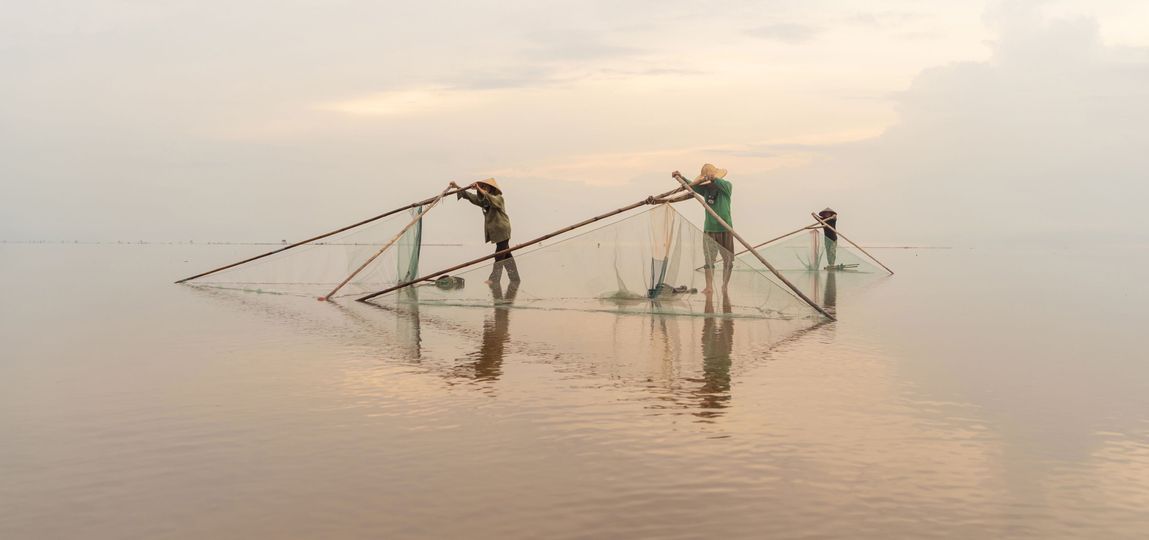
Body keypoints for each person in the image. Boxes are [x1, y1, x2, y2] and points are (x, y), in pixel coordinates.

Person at [655, 164, 734, 294]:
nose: (708, 184)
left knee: (728, 260)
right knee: (709, 260)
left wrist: (714, 179)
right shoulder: (706, 190)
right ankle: (709, 287)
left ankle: (724, 286)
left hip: (725, 228)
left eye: (709, 181)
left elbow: (722, 184)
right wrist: (680, 177)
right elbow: (692, 186)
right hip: (709, 229)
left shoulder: (726, 187)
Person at [450, 178, 520, 285]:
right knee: (506, 254)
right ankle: (515, 278)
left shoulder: (498, 198)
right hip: (496, 231)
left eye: (486, 187)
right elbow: (470, 196)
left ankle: (494, 279)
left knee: (499, 255)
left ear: (491, 189)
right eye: (483, 187)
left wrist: (478, 187)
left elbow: (492, 199)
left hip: (503, 229)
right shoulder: (484, 202)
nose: (484, 189)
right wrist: (457, 187)